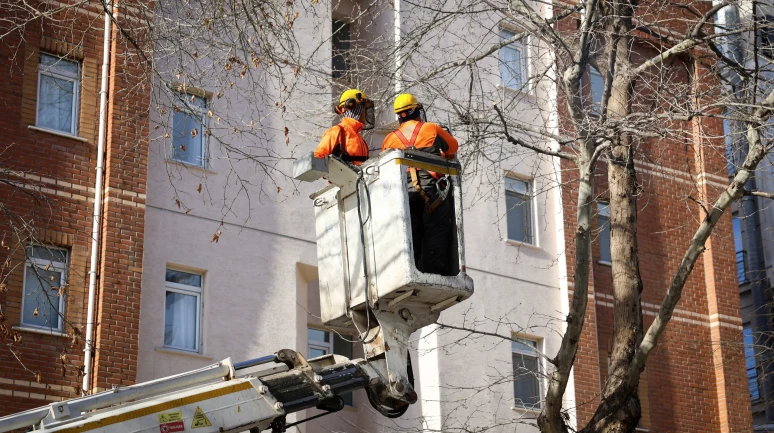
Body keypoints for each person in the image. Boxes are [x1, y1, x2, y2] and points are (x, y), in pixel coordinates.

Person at [382, 93, 459, 275]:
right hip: (431, 190)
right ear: (417, 110)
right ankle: (435, 272)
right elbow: (452, 148)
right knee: (436, 229)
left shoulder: (389, 140)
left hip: (404, 193)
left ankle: (411, 270)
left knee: (411, 232)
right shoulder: (431, 129)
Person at [314, 89, 375, 165]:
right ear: (355, 108)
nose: (365, 114)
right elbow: (318, 157)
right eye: (364, 110)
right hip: (342, 176)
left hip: (361, 176)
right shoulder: (336, 131)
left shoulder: (359, 139)